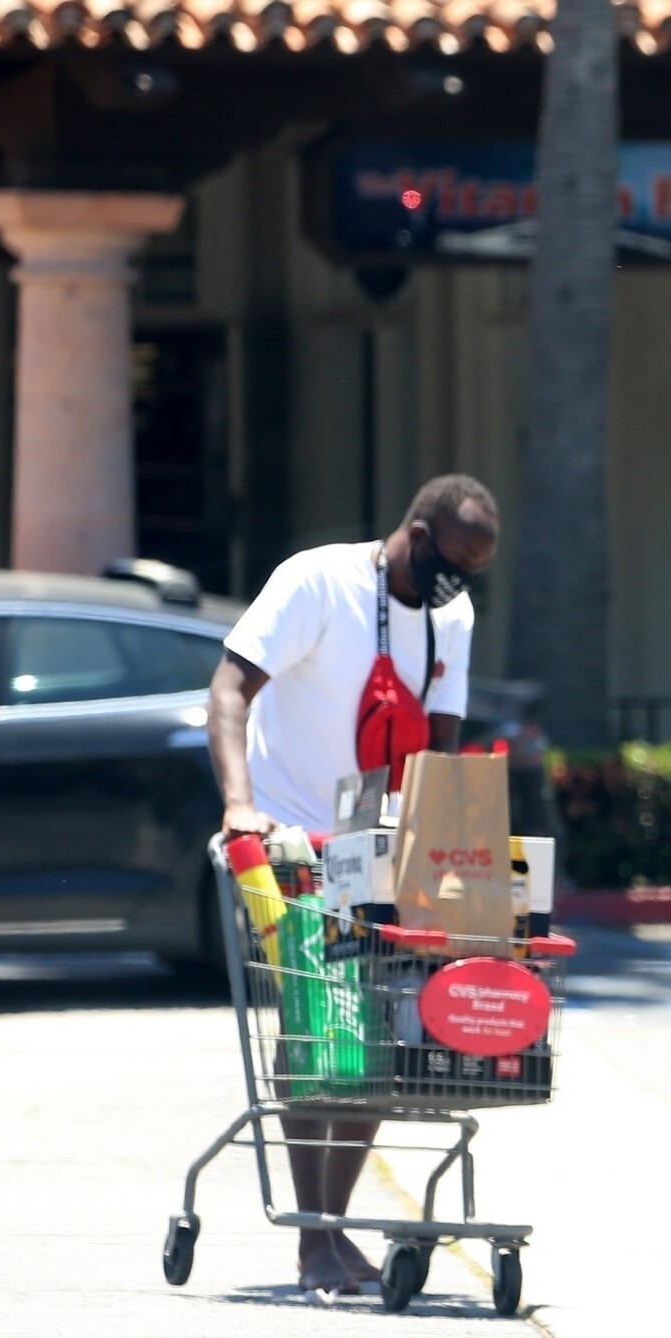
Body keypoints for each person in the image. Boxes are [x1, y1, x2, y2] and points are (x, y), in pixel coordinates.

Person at [206, 475, 500, 1293]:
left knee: (373, 1032)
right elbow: (229, 689)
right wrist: (240, 804)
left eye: (474, 571)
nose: (458, 582)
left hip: (378, 844)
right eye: (452, 562)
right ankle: (314, 1238)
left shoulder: (451, 616)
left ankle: (331, 1228)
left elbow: (439, 745)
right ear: (417, 534)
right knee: (313, 1019)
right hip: (289, 840)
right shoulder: (318, 581)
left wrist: (443, 851)